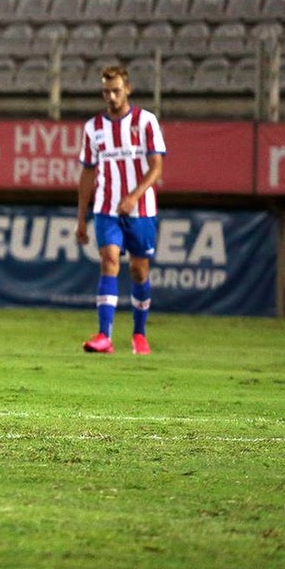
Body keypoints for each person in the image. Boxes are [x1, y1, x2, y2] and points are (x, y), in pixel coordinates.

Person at [75, 65, 166, 356]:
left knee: (139, 272)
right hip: (105, 208)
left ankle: (139, 335)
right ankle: (104, 335)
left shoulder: (146, 122)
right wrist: (81, 218)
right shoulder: (94, 128)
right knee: (109, 261)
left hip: (141, 210)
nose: (111, 97)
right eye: (106, 92)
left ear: (127, 89)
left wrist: (134, 195)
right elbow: (87, 173)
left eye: (116, 91)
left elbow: (157, 167)